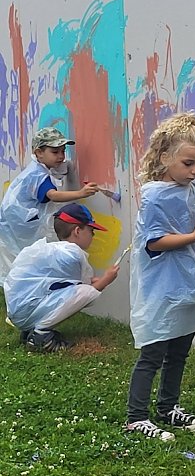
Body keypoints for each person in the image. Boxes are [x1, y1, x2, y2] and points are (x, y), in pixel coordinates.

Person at [124, 112, 195, 442]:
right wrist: (193, 236)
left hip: (188, 284)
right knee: (153, 353)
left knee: (180, 350)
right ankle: (136, 416)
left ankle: (167, 406)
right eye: (188, 163)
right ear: (164, 157)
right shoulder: (156, 195)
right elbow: (154, 242)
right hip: (162, 287)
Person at [3, 203, 119, 352]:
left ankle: (30, 331)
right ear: (77, 231)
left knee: (82, 290)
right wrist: (106, 280)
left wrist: (98, 280)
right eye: (91, 231)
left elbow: (66, 284)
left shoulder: (55, 250)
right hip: (25, 311)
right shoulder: (73, 254)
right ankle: (40, 337)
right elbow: (85, 291)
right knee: (87, 293)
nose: (93, 236)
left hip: (18, 312)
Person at [0, 127, 99, 282]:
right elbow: (52, 195)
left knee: (20, 269)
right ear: (39, 153)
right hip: (18, 231)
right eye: (55, 152)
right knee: (23, 270)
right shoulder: (38, 175)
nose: (61, 156)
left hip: (12, 229)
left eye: (62, 151)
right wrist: (81, 193)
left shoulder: (36, 170)